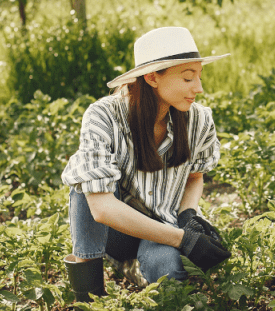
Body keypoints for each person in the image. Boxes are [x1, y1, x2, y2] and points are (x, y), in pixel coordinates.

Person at [60, 26, 232, 302]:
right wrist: (182, 240)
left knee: (168, 274)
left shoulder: (199, 120)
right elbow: (101, 209)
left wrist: (187, 217)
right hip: (115, 231)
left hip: (164, 226)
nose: (198, 88)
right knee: (84, 184)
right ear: (152, 77)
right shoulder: (104, 116)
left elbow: (195, 177)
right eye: (188, 78)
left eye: (199, 76)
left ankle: (134, 268)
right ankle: (87, 294)